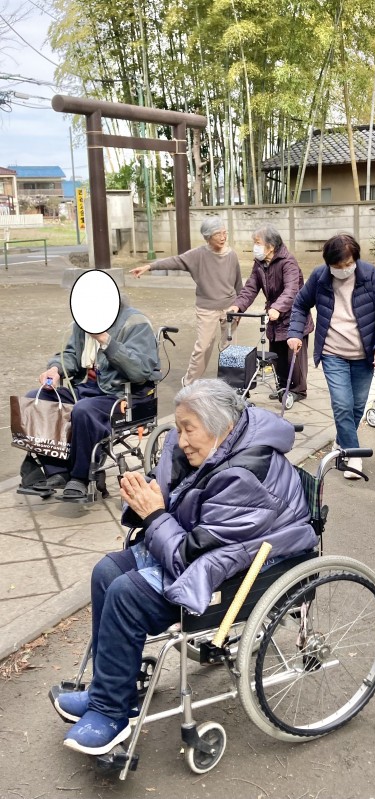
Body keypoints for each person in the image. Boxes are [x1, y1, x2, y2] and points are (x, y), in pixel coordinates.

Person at [51, 378, 318, 755]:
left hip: (245, 568)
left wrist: (153, 513)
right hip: (208, 548)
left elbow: (187, 555)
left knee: (127, 595)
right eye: (178, 428)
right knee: (106, 572)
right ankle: (110, 691)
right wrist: (145, 495)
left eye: (188, 429)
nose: (180, 439)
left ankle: (111, 715)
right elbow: (177, 508)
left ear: (222, 425)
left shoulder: (246, 476)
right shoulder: (216, 447)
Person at [19, 300, 160, 500]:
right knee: (36, 399)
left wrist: (105, 340)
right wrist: (55, 369)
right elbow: (70, 355)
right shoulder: (83, 322)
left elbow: (140, 371)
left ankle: (80, 477)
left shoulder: (135, 322)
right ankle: (57, 471)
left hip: (123, 393)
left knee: (83, 410)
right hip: (88, 389)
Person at [287, 233, 375, 479]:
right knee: (342, 404)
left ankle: (342, 440)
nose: (344, 269)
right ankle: (352, 455)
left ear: (356, 259)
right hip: (332, 352)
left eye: (348, 264)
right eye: (338, 266)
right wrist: (294, 333)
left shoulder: (370, 275)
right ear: (329, 263)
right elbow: (300, 304)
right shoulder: (320, 277)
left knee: (357, 406)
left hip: (364, 354)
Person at [130, 217, 242, 386]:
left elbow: (238, 282)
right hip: (207, 308)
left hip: (230, 307)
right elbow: (175, 261)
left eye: (224, 233)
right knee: (203, 347)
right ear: (207, 237)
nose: (223, 237)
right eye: (218, 234)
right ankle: (189, 383)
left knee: (230, 347)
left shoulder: (231, 254)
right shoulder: (198, 255)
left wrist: (240, 307)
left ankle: (231, 384)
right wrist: (149, 267)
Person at [228, 225, 314, 401]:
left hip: (294, 317)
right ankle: (282, 387)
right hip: (274, 318)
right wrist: (238, 306)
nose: (255, 247)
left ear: (271, 246)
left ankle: (298, 390)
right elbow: (251, 288)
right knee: (277, 356)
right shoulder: (259, 263)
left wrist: (278, 307)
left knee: (293, 357)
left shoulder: (288, 262)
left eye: (258, 243)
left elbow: (292, 290)